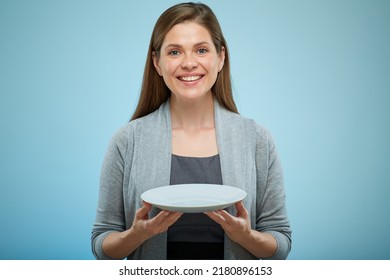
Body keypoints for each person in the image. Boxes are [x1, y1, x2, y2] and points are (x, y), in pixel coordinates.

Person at [91, 2, 291, 260]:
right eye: (174, 52)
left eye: (201, 50)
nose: (188, 63)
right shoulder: (127, 141)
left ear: (220, 58)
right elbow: (101, 243)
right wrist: (138, 234)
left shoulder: (257, 139)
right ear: (157, 62)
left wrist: (245, 236)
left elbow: (281, 242)